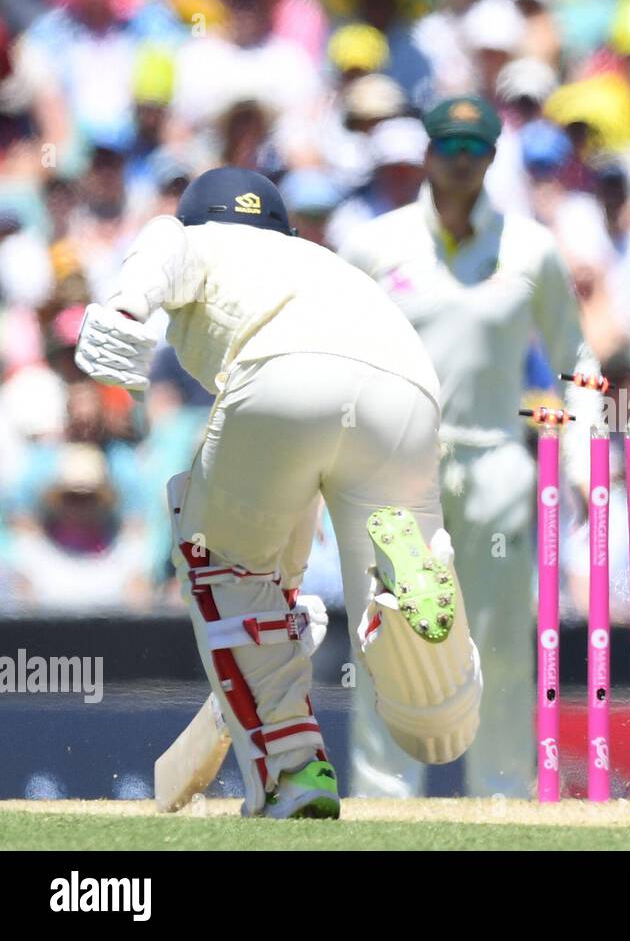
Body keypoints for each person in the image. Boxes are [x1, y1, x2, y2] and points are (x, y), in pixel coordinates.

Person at [73, 167, 481, 819]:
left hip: (281, 374)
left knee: (221, 558)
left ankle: (292, 769)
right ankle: (402, 586)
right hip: (407, 389)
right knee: (431, 728)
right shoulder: (321, 262)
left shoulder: (198, 240)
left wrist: (126, 307)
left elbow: (163, 245)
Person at [340, 96, 595, 798]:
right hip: (396, 468)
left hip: (497, 468)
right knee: (391, 642)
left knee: (503, 647)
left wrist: (578, 457)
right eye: (447, 148)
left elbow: (579, 362)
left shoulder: (529, 250)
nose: (459, 162)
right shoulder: (374, 244)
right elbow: (331, 351)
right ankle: (381, 804)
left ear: (490, 157)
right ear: (426, 154)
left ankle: (506, 800)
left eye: (473, 150)